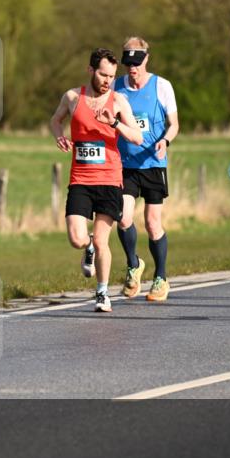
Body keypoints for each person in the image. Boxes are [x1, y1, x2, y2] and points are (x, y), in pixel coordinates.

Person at [49, 48, 142, 312]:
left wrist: (114, 124)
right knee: (77, 239)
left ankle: (102, 293)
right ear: (91, 70)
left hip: (110, 180)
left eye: (112, 76)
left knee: (104, 241)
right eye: (103, 75)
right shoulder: (72, 96)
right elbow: (55, 121)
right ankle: (87, 246)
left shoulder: (119, 101)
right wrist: (59, 136)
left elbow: (137, 137)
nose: (107, 81)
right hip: (80, 178)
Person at [111, 36, 179, 302]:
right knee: (123, 218)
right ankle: (133, 264)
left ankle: (161, 277)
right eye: (128, 64)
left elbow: (174, 123)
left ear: (147, 59)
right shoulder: (116, 87)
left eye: (137, 63)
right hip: (125, 164)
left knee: (152, 223)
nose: (133, 69)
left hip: (153, 162)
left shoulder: (162, 86)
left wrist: (165, 140)